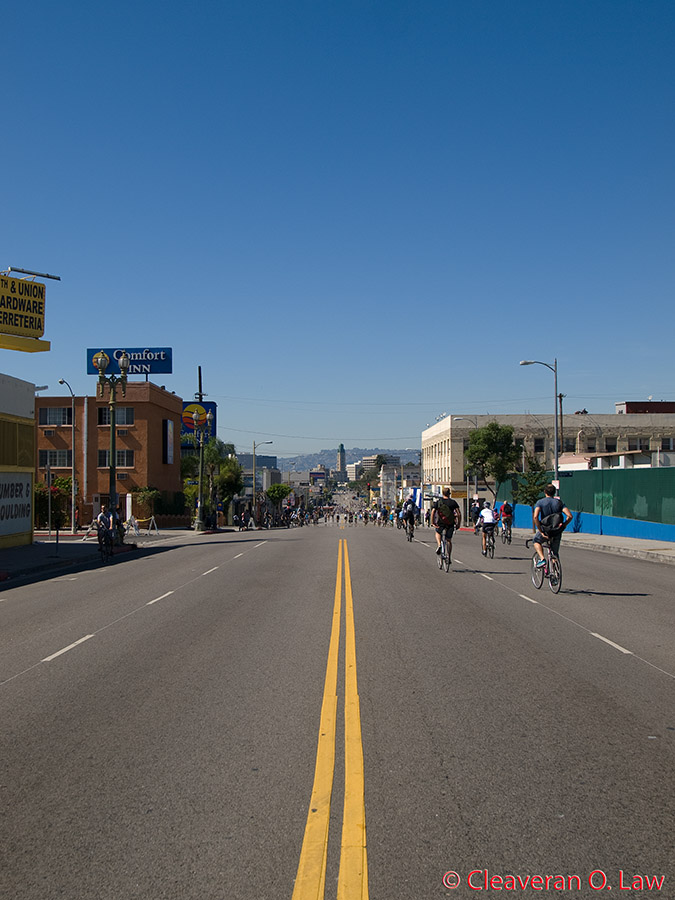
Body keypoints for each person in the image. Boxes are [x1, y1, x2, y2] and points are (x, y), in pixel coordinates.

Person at [533, 484, 573, 567]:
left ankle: (542, 559)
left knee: (536, 541)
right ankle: (555, 574)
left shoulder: (540, 502)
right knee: (554, 553)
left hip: (545, 530)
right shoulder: (559, 502)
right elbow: (569, 516)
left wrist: (540, 530)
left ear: (545, 492)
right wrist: (564, 525)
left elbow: (536, 516)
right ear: (554, 492)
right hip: (556, 531)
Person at [431, 488, 461, 562]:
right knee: (448, 540)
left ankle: (439, 545)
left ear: (442, 493)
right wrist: (458, 524)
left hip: (441, 522)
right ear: (449, 493)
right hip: (450, 523)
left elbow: (433, 512)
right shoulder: (453, 502)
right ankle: (449, 557)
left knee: (438, 532)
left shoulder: (438, 502)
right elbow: (459, 513)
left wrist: (432, 522)